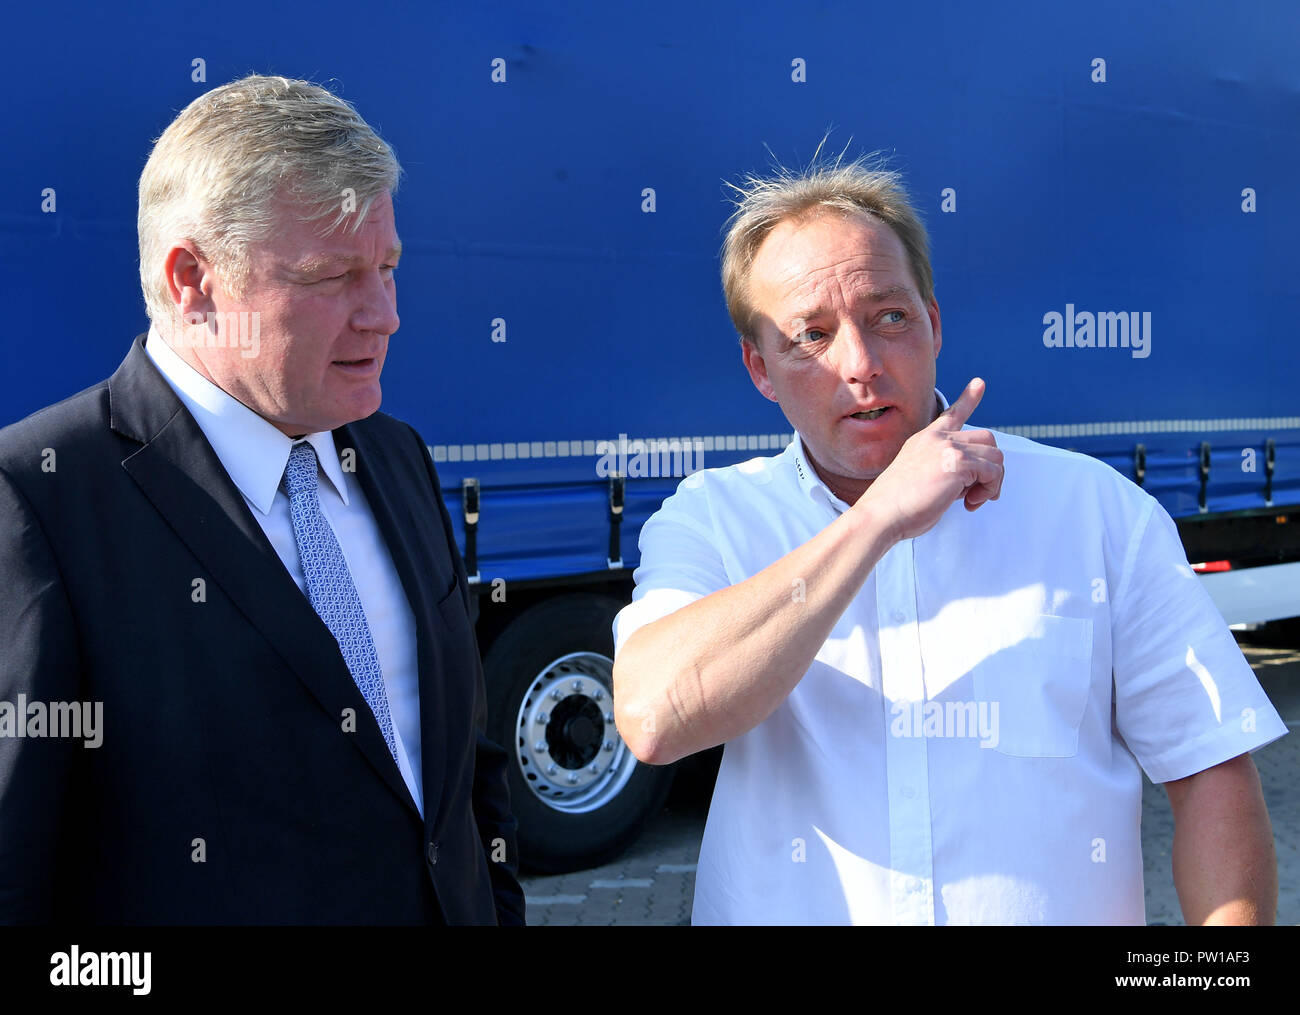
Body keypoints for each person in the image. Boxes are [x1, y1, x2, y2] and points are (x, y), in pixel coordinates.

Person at [610, 154, 1287, 925]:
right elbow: (655, 716)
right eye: (813, 336)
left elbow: (1210, 773)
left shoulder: (1097, 510)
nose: (860, 365)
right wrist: (876, 521)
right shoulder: (712, 517)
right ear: (760, 369)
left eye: (888, 317)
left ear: (933, 323)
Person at [0, 75, 523, 925]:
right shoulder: (38, 499)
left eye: (389, 267)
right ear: (192, 280)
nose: (385, 315)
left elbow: (466, 767)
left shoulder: (397, 456)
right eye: (331, 277)